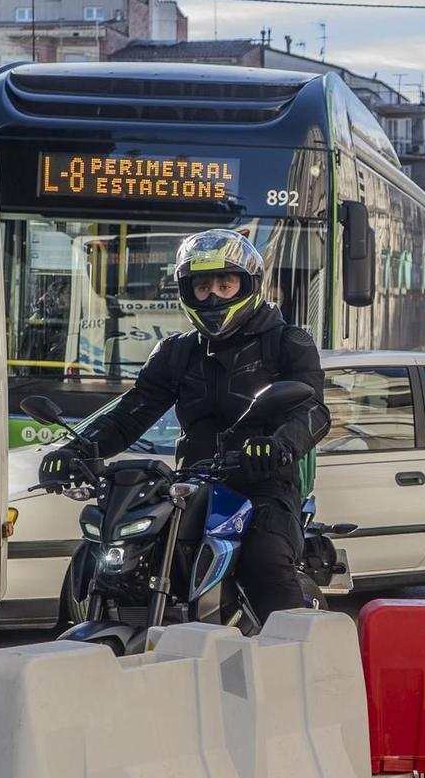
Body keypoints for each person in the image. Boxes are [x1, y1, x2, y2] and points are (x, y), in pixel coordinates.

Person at [39, 229, 330, 618]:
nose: (212, 296)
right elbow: (132, 412)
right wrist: (75, 450)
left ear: (248, 285)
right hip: (191, 486)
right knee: (100, 560)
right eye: (202, 286)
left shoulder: (287, 343)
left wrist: (279, 445)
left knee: (265, 561)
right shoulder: (177, 352)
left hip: (263, 485)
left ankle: (304, 664)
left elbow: (313, 411)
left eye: (225, 285)